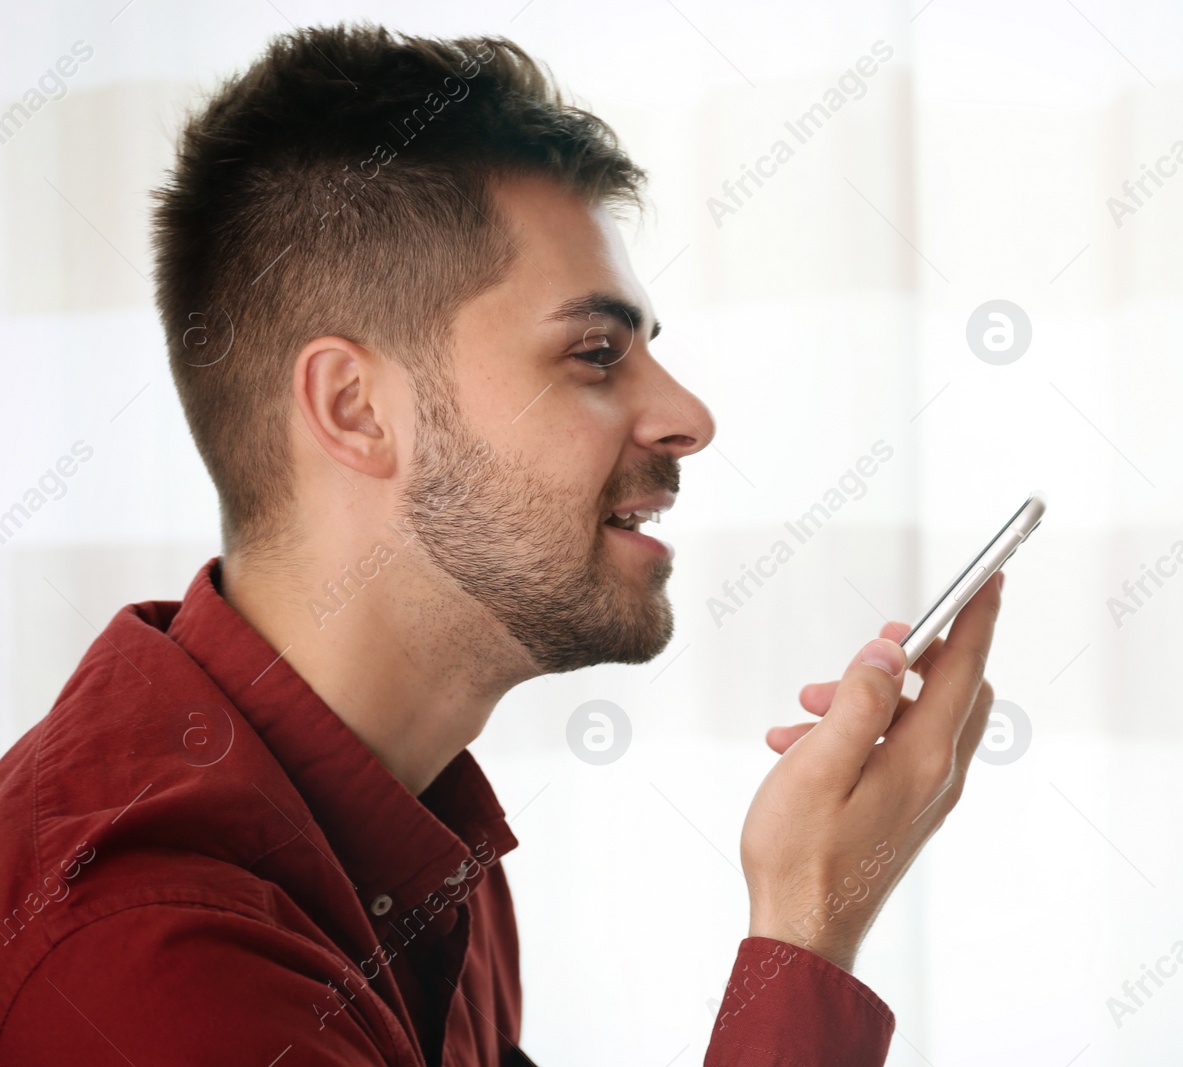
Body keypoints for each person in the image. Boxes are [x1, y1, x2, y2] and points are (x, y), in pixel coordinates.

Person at [0, 24, 1003, 1067]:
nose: (688, 415)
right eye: (594, 353)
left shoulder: (420, 839)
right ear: (356, 408)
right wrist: (808, 922)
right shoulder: (148, 957)